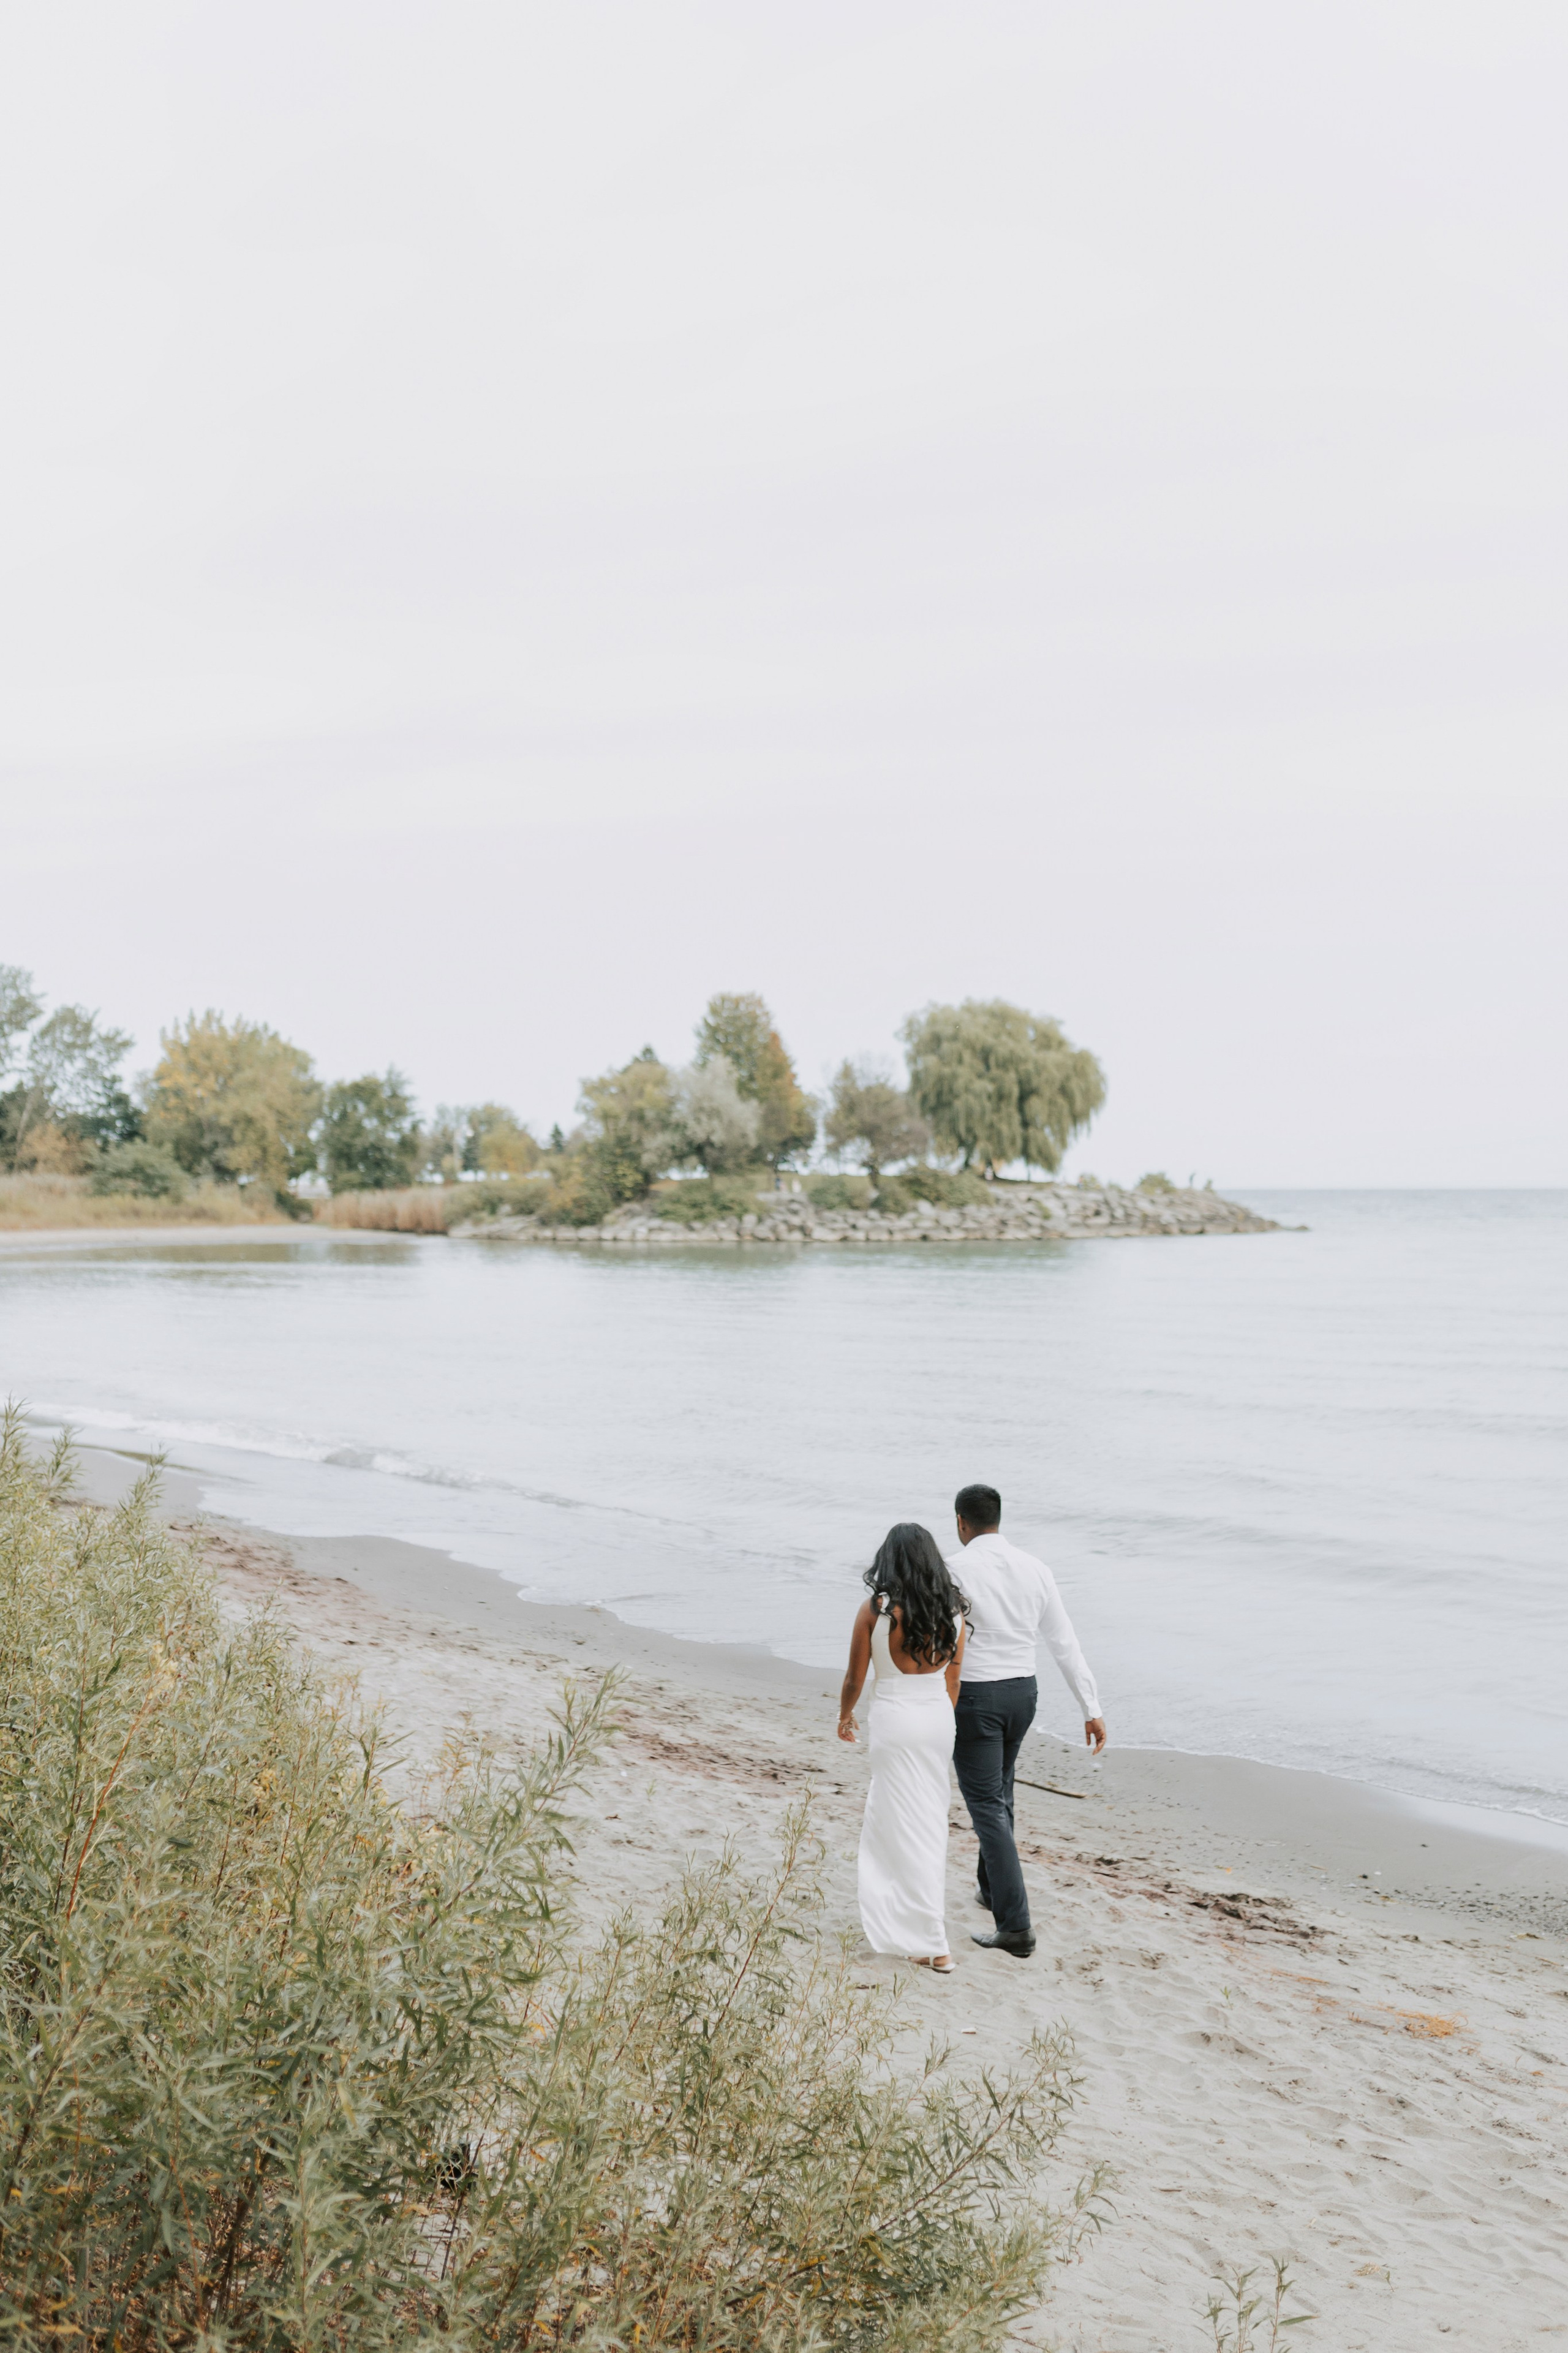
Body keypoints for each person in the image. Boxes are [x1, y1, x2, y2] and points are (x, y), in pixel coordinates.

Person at [949, 1482, 1107, 1960]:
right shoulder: (1036, 1568)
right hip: (1023, 1693)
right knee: (1002, 1789)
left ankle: (1015, 1927)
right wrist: (1091, 1707)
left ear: (961, 1523)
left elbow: (939, 1639)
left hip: (976, 1696)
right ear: (999, 1519)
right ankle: (992, 1890)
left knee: (987, 1806)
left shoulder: (953, 1569)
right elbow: (1064, 1642)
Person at [837, 1522, 968, 1973]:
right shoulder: (952, 1612)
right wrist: (937, 1719)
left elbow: (856, 1677)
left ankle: (933, 1941)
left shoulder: (876, 1612)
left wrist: (844, 1714)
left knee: (898, 1827)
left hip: (894, 1721)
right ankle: (926, 1938)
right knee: (929, 1826)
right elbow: (953, 1683)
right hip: (936, 1721)